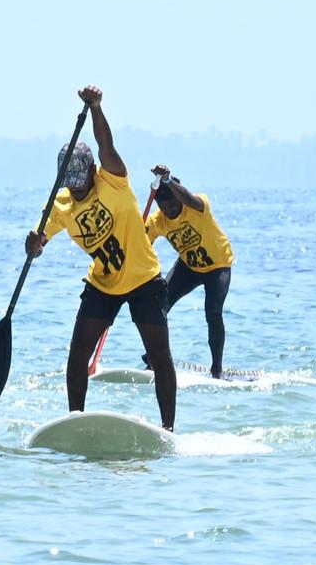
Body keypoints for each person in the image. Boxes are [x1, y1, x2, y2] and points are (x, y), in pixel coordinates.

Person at [24, 85, 177, 430]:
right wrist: (34, 245)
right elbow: (39, 240)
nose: (77, 189)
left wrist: (95, 107)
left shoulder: (112, 179)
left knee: (159, 356)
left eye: (81, 182)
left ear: (93, 170)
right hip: (103, 284)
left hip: (143, 279)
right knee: (78, 353)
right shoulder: (60, 204)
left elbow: (105, 145)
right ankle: (75, 422)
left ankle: (168, 429)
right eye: (71, 184)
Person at [144, 164, 235, 378]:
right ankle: (155, 358)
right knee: (158, 304)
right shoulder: (157, 221)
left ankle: (217, 370)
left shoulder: (197, 205)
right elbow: (141, 245)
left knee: (213, 312)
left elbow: (189, 199)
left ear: (179, 197)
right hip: (189, 266)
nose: (169, 211)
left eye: (173, 206)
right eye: (164, 208)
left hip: (217, 265)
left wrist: (168, 181)